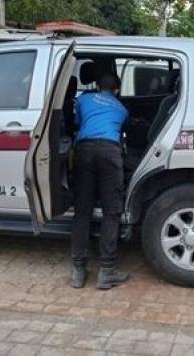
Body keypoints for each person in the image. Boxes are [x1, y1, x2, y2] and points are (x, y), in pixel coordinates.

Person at [70, 72, 130, 290]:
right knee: (111, 212)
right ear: (117, 90)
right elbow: (122, 130)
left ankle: (78, 271)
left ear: (97, 86)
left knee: (82, 212)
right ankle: (106, 272)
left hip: (84, 151)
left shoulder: (83, 99)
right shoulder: (122, 109)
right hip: (109, 153)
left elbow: (75, 122)